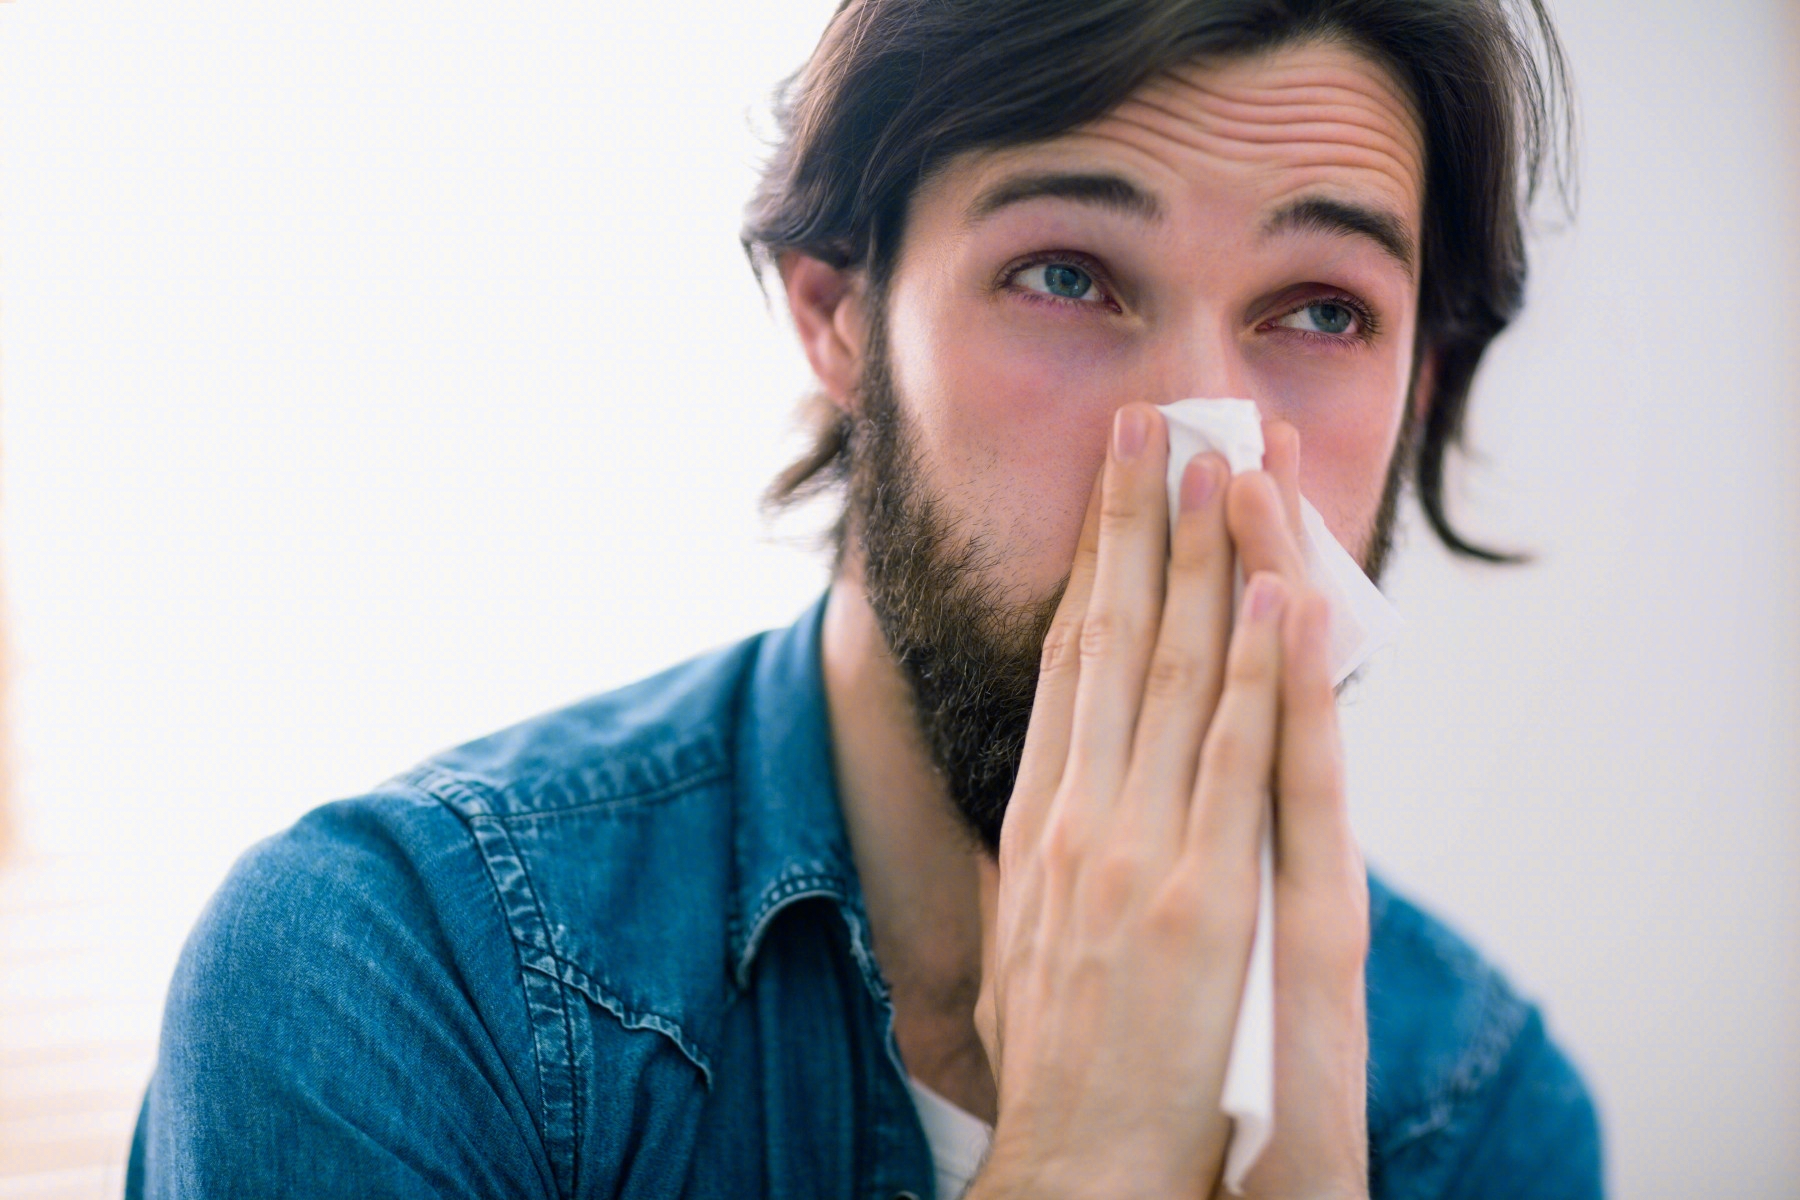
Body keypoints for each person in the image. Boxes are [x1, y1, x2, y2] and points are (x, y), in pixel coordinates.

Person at [127, 0, 1604, 1196]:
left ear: (1416, 391)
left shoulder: (1484, 1117)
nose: (1196, 472)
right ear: (840, 315)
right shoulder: (392, 981)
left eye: (1322, 310)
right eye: (1066, 276)